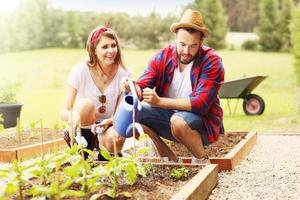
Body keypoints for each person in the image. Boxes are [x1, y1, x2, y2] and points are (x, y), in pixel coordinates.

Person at [127, 9, 225, 162]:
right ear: (175, 38)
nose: (186, 51)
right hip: (168, 119)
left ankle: (202, 161)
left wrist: (159, 102)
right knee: (132, 116)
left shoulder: (211, 61)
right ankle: (170, 159)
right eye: (182, 44)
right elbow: (142, 85)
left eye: (193, 46)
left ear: (201, 43)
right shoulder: (162, 57)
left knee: (178, 121)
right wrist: (131, 87)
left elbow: (201, 103)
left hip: (202, 125)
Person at [60, 25, 130, 159]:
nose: (111, 51)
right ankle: (83, 156)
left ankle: (105, 158)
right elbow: (63, 111)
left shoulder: (124, 75)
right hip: (84, 124)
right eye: (105, 47)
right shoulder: (80, 70)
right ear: (94, 50)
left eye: (113, 45)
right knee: (86, 105)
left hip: (107, 127)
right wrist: (74, 116)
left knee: (116, 138)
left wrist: (109, 122)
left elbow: (121, 115)